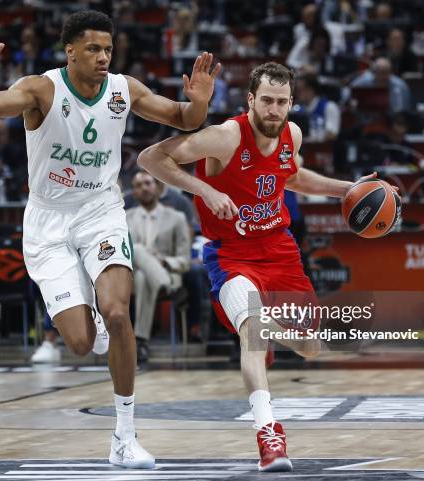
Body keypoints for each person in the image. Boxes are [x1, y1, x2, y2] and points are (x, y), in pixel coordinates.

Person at [0, 11, 219, 468]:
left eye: (109, 50)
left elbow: (182, 118)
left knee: (119, 312)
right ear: (70, 51)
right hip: (49, 223)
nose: (103, 58)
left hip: (101, 211)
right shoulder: (42, 88)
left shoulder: (123, 89)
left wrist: (198, 103)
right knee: (80, 343)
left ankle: (124, 436)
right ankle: (88, 316)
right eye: (94, 49)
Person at [138, 62, 397, 472]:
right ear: (251, 101)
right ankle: (269, 435)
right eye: (267, 101)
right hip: (231, 255)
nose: (275, 110)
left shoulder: (290, 135)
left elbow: (290, 177)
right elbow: (151, 158)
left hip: (280, 252)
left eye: (282, 102)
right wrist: (204, 189)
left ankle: (267, 337)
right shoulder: (225, 137)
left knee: (311, 348)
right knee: (252, 333)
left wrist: (348, 188)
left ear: (291, 103)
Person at [126, 171, 191, 362]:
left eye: (148, 183)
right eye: (138, 185)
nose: (144, 188)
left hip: (169, 271)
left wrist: (161, 262)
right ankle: (168, 287)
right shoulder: (124, 218)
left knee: (144, 276)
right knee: (136, 250)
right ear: (134, 193)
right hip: (132, 275)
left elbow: (184, 259)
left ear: (158, 188)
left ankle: (141, 341)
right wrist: (146, 258)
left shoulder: (177, 217)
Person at [292, 73, 341, 142]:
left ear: (310, 90)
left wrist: (310, 138)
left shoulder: (329, 107)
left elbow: (331, 135)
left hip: (322, 150)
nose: (297, 94)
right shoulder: (296, 109)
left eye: (299, 90)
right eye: (296, 91)